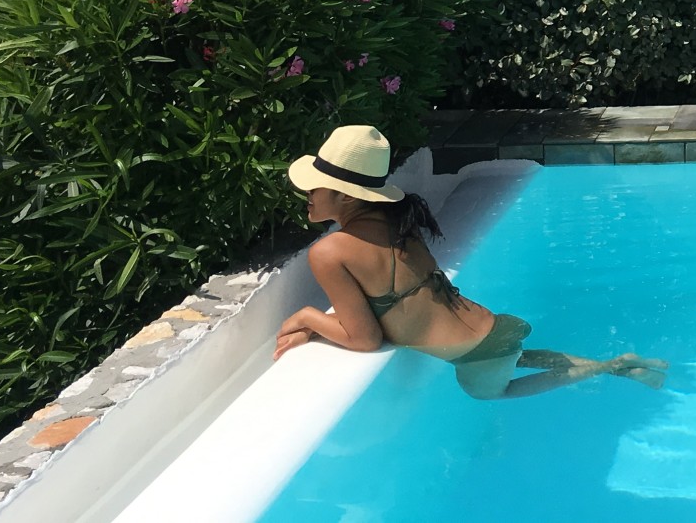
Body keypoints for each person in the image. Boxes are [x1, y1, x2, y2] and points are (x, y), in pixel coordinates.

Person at [275, 125, 666, 399]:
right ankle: (622, 364)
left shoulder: (329, 253)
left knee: (493, 393)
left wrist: (308, 318)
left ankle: (612, 366)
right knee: (515, 357)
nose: (307, 193)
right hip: (489, 326)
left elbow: (365, 338)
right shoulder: (395, 221)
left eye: (315, 185)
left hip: (475, 350)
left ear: (345, 196)